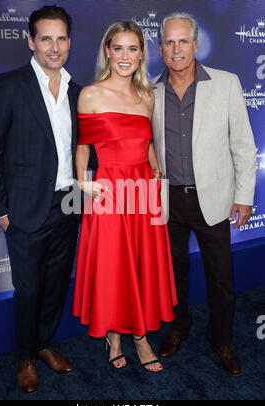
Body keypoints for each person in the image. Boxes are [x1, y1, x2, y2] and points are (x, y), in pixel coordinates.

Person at [0, 6, 80, 393]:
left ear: (69, 41)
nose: (54, 47)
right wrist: (2, 211)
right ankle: (25, 357)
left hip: (69, 206)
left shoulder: (76, 91)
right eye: (46, 38)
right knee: (30, 289)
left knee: (55, 286)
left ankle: (45, 344)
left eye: (61, 38)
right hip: (24, 210)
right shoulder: (6, 86)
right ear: (31, 41)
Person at [151, 12, 256, 376]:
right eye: (169, 42)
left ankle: (221, 340)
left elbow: (243, 145)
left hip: (213, 198)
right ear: (160, 47)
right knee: (172, 274)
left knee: (221, 277)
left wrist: (244, 195)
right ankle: (179, 329)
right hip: (169, 201)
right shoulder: (150, 90)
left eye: (183, 41)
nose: (176, 49)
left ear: (195, 45)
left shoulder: (226, 83)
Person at [73, 21, 177, 373]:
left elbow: (147, 145)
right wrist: (82, 182)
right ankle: (114, 335)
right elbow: (83, 147)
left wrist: (157, 172)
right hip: (110, 190)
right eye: (118, 48)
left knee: (140, 264)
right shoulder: (90, 94)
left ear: (141, 55)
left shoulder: (147, 95)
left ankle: (140, 337)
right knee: (114, 266)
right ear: (107, 51)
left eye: (133, 49)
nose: (125, 56)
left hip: (144, 190)